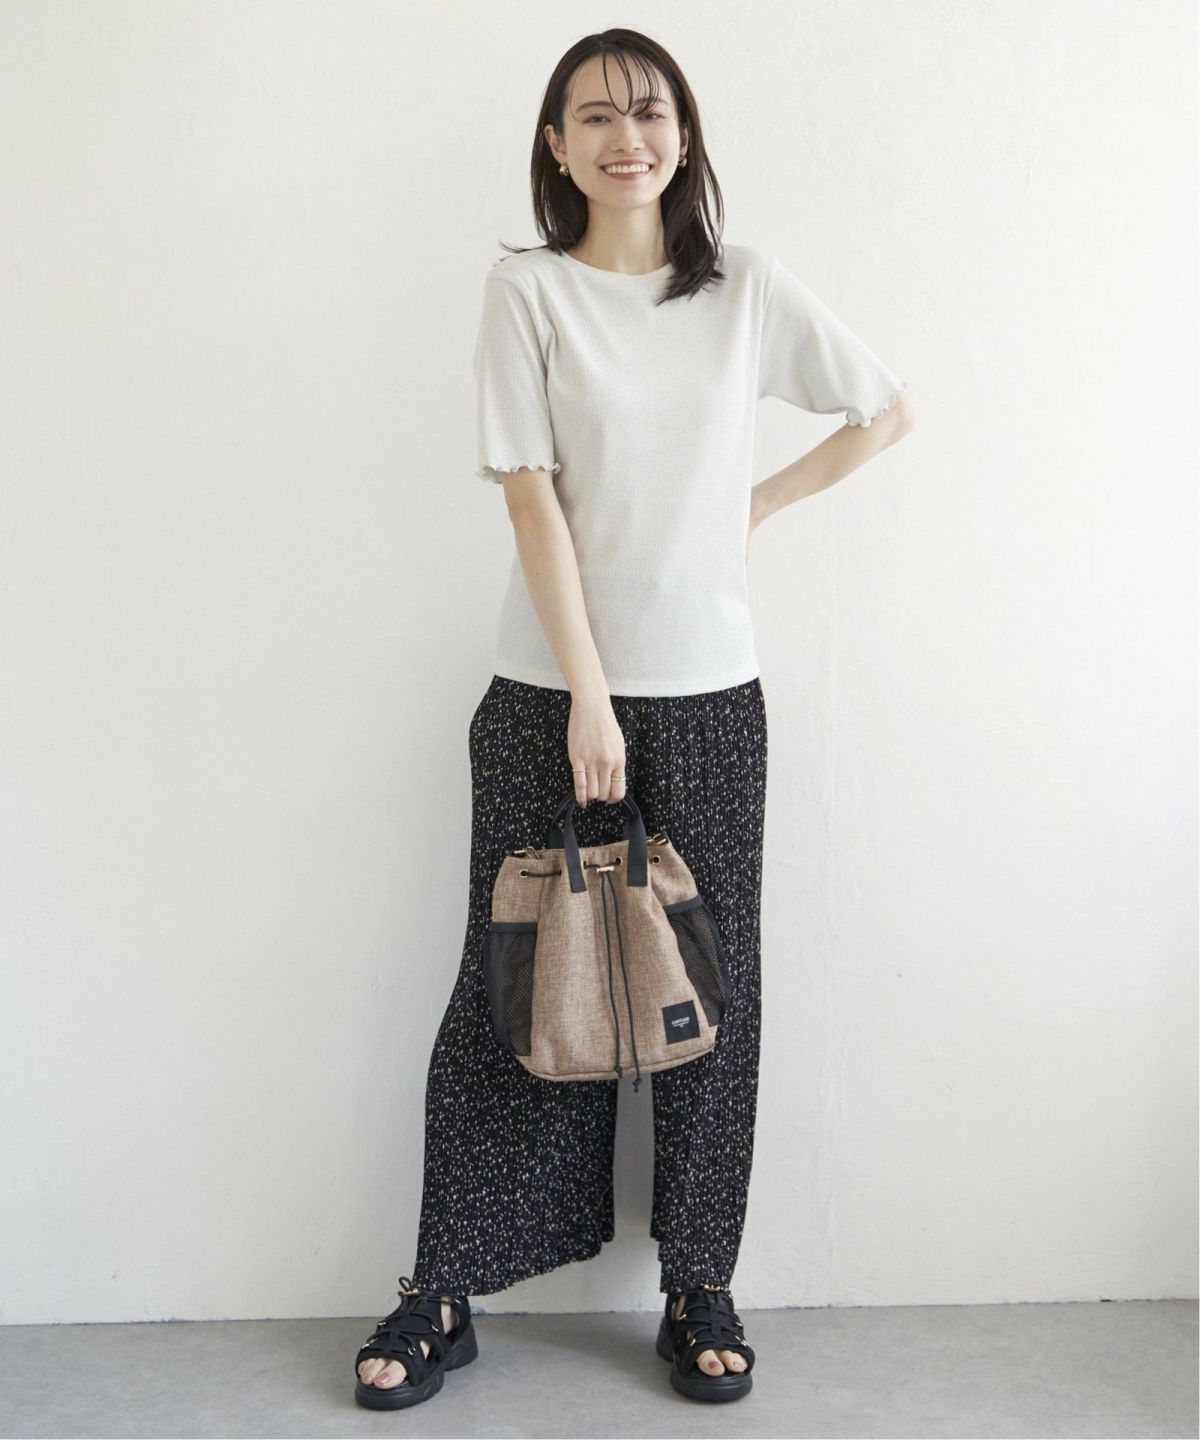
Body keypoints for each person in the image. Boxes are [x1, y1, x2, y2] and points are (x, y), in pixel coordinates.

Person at [354, 26, 913, 1411]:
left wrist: (753, 506)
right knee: (510, 986)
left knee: (712, 999)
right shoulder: (527, 291)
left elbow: (884, 410)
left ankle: (699, 1285)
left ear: (686, 133)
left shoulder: (746, 290)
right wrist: (591, 698)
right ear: (556, 146)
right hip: (547, 696)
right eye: (595, 116)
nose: (627, 136)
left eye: (650, 111)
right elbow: (529, 494)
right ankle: (444, 1285)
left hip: (713, 696)